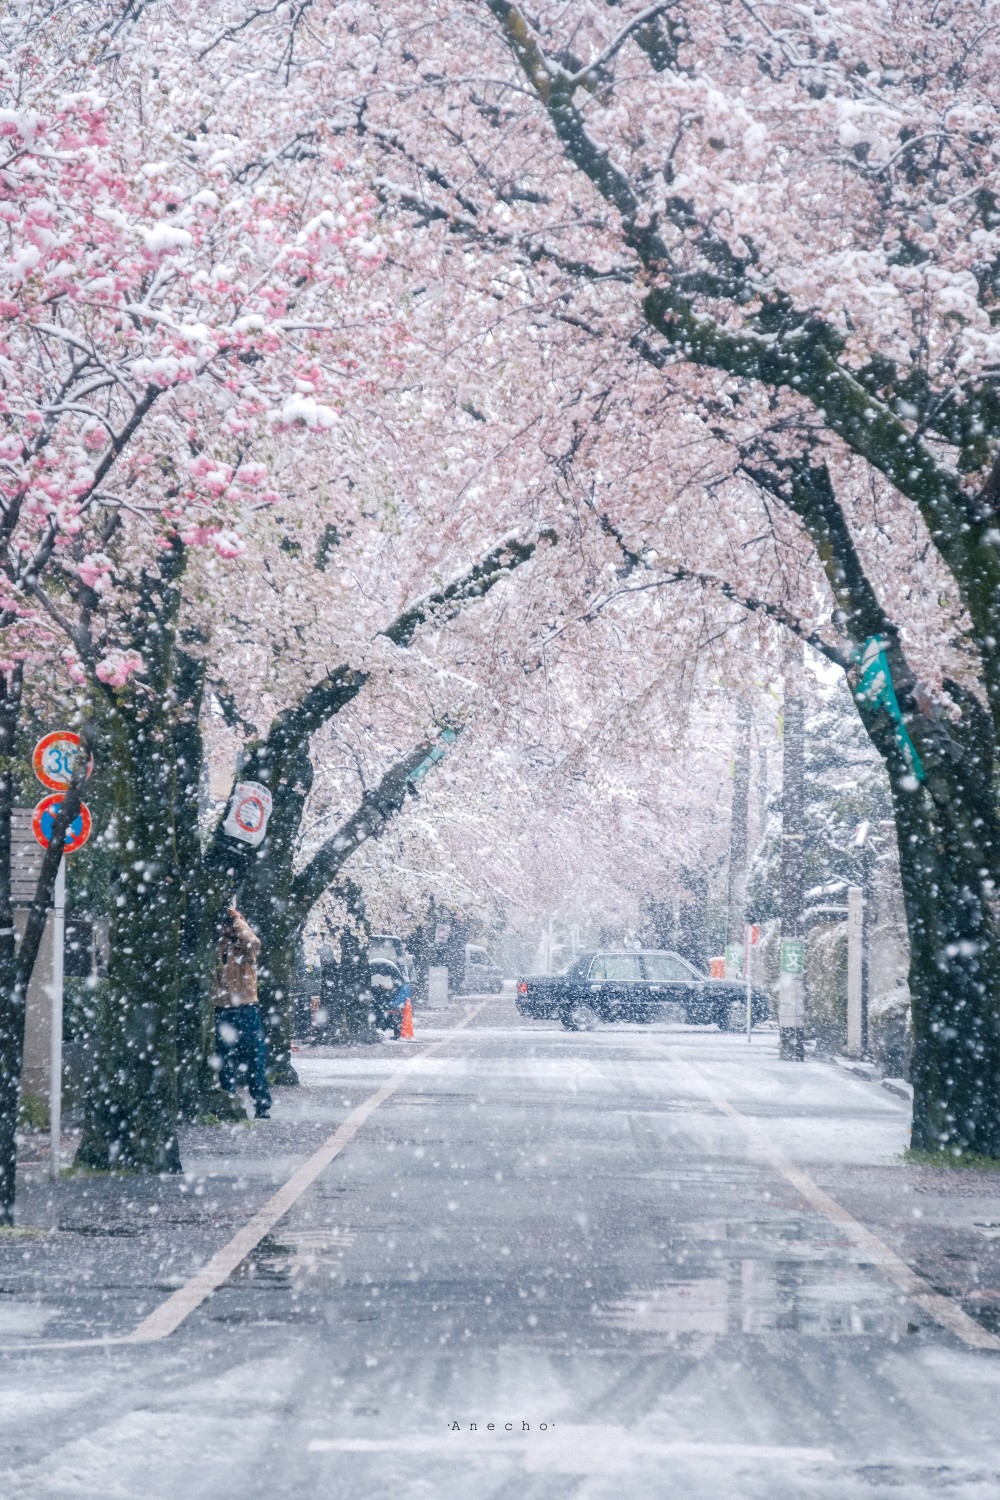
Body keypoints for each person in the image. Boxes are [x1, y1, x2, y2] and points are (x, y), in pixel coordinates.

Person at [213, 906, 272, 1119]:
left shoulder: (245, 948)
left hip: (247, 1008)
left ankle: (262, 1104)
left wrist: (239, 921)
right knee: (224, 1059)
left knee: (254, 1057)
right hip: (223, 1009)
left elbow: (254, 942)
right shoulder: (217, 948)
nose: (226, 929)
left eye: (228, 926)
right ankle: (228, 1100)